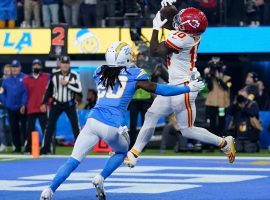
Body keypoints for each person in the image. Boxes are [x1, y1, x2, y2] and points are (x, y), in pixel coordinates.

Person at [40, 41, 204, 200]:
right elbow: (160, 89)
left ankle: (49, 190)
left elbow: (115, 74)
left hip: (92, 121)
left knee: (73, 160)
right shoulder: (135, 75)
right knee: (121, 151)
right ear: (125, 58)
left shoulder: (100, 72)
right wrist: (188, 88)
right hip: (111, 124)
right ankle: (101, 177)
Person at [124, 4, 236, 168]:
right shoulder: (191, 34)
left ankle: (224, 143)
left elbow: (154, 50)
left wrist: (155, 27)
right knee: (152, 115)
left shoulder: (183, 38)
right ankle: (134, 153)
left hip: (184, 88)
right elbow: (175, 24)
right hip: (175, 85)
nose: (178, 22)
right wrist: (168, 8)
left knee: (187, 130)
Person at [40, 56, 82, 155]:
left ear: (69, 64)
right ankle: (45, 149)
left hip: (69, 104)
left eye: (67, 63)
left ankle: (80, 150)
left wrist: (67, 84)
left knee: (75, 126)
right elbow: (49, 90)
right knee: (49, 126)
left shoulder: (74, 75)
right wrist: (44, 103)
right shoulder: (54, 75)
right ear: (60, 64)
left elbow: (79, 91)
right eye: (63, 63)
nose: (65, 65)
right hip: (56, 103)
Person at [23, 60, 50, 154]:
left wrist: (46, 104)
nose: (36, 66)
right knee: (29, 129)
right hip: (31, 107)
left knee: (45, 129)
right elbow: (25, 93)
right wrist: (23, 104)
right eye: (35, 65)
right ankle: (28, 148)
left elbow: (50, 91)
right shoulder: (26, 79)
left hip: (42, 107)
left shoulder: (47, 77)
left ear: (41, 66)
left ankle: (46, 148)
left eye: (38, 65)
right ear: (32, 66)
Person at [204, 57, 231, 150]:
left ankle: (222, 145)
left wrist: (218, 77)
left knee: (221, 123)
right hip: (211, 104)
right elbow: (210, 88)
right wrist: (208, 76)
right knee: (211, 124)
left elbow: (226, 87)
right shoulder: (209, 77)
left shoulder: (227, 78)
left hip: (222, 105)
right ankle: (211, 145)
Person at [0, 60, 27, 153]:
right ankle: (16, 147)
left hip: (22, 108)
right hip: (11, 107)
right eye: (13, 67)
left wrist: (24, 104)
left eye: (16, 67)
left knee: (24, 128)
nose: (15, 69)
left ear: (20, 67)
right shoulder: (6, 80)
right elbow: (2, 93)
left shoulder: (25, 78)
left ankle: (26, 146)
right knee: (13, 127)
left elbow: (26, 92)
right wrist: (6, 102)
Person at [0, 65, 12, 152]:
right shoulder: (0, 81)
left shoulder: (13, 81)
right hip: (1, 107)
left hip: (12, 107)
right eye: (5, 70)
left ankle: (15, 144)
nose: (7, 71)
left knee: (13, 126)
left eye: (8, 70)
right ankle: (3, 144)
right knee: (1, 127)